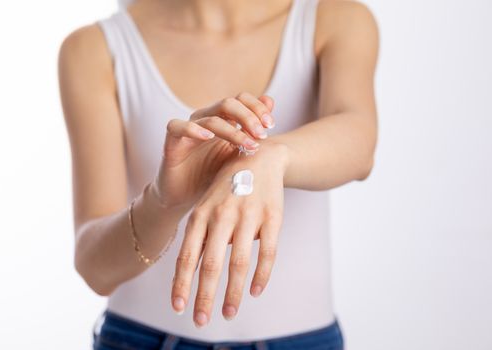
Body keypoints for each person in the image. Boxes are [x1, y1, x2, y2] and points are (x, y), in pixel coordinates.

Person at [58, 0, 378, 348]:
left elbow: (359, 141)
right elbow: (95, 269)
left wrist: (267, 159)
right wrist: (163, 201)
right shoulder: (95, 49)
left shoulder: (335, 20)